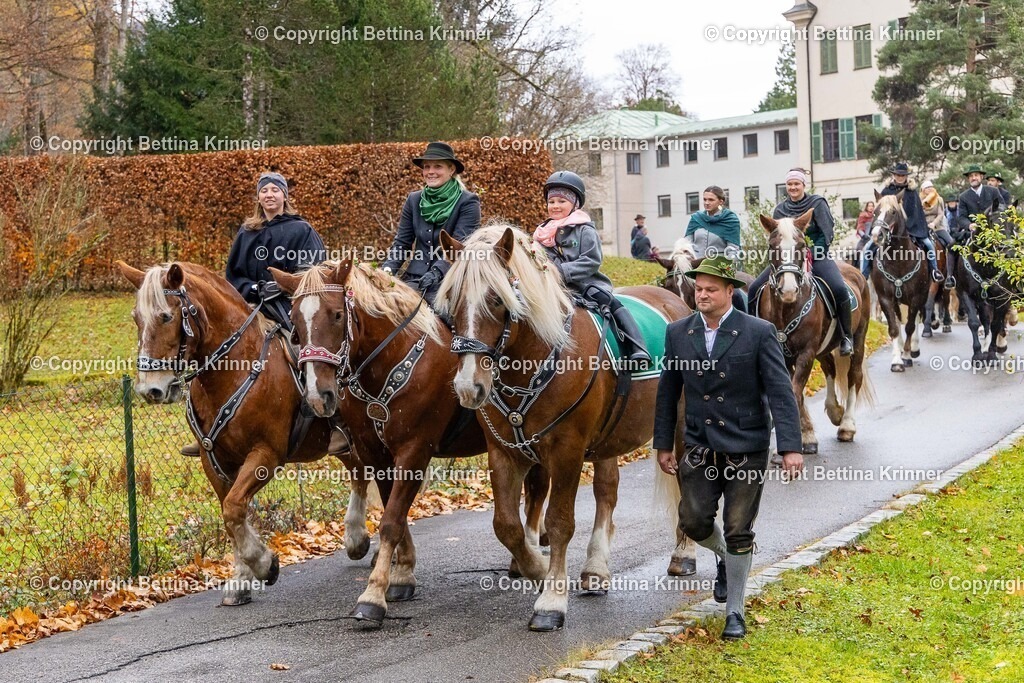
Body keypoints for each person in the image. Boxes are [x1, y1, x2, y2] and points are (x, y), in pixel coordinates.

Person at [654, 256, 803, 641]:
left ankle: (735, 612)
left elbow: (781, 393)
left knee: (739, 530)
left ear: (729, 292)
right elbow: (668, 392)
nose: (701, 295)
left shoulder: (759, 331)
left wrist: (790, 447)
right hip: (699, 447)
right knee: (693, 521)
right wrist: (663, 444)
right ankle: (724, 557)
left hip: (747, 446)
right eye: (698, 289)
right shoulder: (677, 332)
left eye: (710, 290)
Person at [219, 172, 346, 458]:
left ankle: (336, 422)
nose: (270, 195)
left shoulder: (301, 230)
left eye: (275, 190)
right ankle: (213, 428)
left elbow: (315, 273)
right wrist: (253, 287)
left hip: (290, 307)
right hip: (252, 306)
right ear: (258, 197)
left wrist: (282, 286)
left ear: (285, 196)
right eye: (265, 191)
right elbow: (233, 276)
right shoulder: (247, 232)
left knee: (307, 350)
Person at [534, 170, 651, 366]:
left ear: (575, 204)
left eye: (561, 202)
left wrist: (559, 272)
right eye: (551, 201)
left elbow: (591, 260)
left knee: (610, 303)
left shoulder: (584, 229)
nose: (555, 206)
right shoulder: (540, 234)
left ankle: (636, 346)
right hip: (554, 287)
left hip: (587, 285)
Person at [748, 169, 855, 356]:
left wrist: (808, 254)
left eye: (796, 184)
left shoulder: (817, 204)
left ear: (803, 185)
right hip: (787, 260)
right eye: (789, 184)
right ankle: (752, 336)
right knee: (754, 288)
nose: (793, 187)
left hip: (818, 255)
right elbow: (775, 239)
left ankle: (846, 336)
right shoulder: (780, 210)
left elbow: (827, 233)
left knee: (838, 288)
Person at [381, 141, 481, 306]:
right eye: (426, 167)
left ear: (451, 169)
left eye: (437, 166)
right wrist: (387, 270)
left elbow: (459, 246)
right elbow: (402, 242)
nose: (430, 172)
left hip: (449, 281)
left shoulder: (468, 202)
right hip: (414, 279)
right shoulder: (414, 200)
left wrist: (437, 272)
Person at [862, 163, 942, 284]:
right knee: (867, 248)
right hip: (888, 229)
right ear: (894, 175)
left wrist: (909, 226)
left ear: (906, 176)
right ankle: (864, 274)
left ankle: (934, 271)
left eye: (902, 175)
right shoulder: (887, 191)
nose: (900, 177)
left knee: (929, 244)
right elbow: (881, 212)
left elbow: (916, 212)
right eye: (898, 175)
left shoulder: (912, 192)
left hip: (913, 228)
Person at [686, 186, 747, 313]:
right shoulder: (696, 219)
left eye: (711, 200)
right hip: (695, 268)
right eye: (704, 199)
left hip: (719, 268)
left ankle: (743, 319)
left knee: (735, 295)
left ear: (721, 201)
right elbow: (686, 244)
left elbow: (733, 248)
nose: (707, 203)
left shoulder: (730, 220)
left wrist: (723, 265)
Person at [953, 164, 1003, 284]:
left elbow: (1002, 208)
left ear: (981, 177)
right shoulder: (963, 196)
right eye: (971, 176)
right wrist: (970, 225)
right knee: (951, 247)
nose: (973, 178)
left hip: (993, 231)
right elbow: (961, 217)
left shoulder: (993, 191)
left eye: (976, 175)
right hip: (973, 232)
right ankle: (952, 277)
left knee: (1009, 248)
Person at [920, 180, 957, 286]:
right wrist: (925, 225)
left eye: (931, 186)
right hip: (924, 228)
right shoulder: (918, 201)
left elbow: (940, 214)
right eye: (927, 187)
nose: (930, 189)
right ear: (922, 190)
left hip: (938, 227)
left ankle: (951, 274)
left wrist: (933, 223)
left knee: (952, 244)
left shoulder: (938, 199)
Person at [854, 201, 875, 270]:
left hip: (874, 239)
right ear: (866, 207)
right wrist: (864, 235)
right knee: (858, 251)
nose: (871, 208)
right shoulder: (863, 215)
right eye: (869, 206)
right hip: (865, 239)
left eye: (872, 206)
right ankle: (856, 267)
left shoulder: (876, 216)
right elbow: (859, 227)